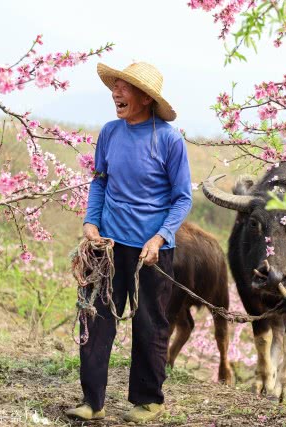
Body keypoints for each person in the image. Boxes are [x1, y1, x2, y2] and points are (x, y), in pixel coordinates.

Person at [66, 62, 192, 423]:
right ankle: (93, 401)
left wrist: (160, 237)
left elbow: (183, 198)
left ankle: (148, 400)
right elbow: (100, 181)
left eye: (124, 88)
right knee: (95, 318)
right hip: (106, 247)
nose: (115, 93)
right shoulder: (109, 132)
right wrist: (91, 221)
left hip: (152, 252)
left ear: (146, 98)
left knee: (151, 324)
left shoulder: (168, 139)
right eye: (115, 86)